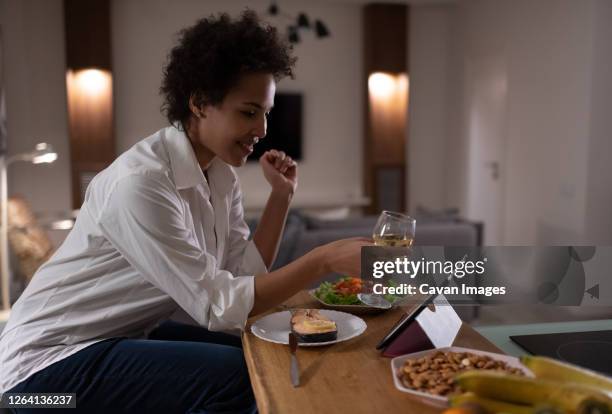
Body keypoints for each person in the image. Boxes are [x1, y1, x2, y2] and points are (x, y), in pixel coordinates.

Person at [0, 11, 370, 414]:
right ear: (198, 102)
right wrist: (324, 259)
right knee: (240, 376)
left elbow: (242, 278)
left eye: (266, 113)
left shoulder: (220, 175)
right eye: (249, 112)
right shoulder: (141, 183)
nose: (263, 130)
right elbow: (218, 307)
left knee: (259, 346)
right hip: (36, 378)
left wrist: (281, 197)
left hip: (119, 336)